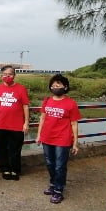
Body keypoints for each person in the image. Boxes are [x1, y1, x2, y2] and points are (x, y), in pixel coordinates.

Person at [35, 74, 81, 204]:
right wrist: (39, 135)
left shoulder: (71, 103)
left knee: (60, 166)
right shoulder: (47, 101)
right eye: (53, 85)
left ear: (65, 87)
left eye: (58, 85)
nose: (55, 87)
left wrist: (75, 143)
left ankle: (59, 190)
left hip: (62, 138)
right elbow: (42, 118)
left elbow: (74, 124)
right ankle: (53, 184)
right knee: (50, 163)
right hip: (47, 137)